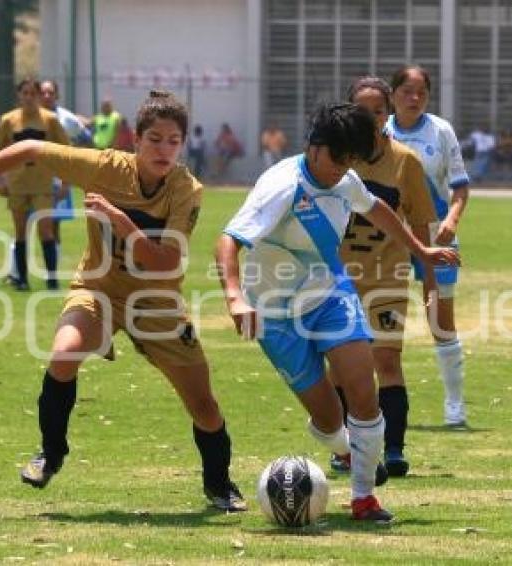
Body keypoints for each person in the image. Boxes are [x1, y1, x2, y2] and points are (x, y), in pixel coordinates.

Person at [0, 90, 247, 512]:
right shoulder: (103, 167)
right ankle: (51, 452)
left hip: (157, 301)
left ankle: (219, 483)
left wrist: (120, 220)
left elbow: (164, 262)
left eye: (174, 140)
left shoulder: (186, 190)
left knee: (204, 406)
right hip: (98, 288)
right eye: (155, 138)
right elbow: (28, 148)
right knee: (63, 354)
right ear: (135, 139)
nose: (164, 149)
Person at [215, 102, 459, 522]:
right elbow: (228, 241)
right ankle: (348, 450)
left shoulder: (344, 178)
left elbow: (376, 208)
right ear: (314, 147)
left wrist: (420, 250)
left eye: (350, 161)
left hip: (329, 293)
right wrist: (235, 297)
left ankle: (364, 498)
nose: (341, 169)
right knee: (327, 418)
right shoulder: (281, 185)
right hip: (274, 313)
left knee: (363, 386)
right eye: (336, 158)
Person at [328, 76, 438, 479]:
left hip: (387, 277)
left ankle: (393, 449)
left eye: (379, 111)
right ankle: (346, 451)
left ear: (388, 113)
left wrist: (431, 281)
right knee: (340, 367)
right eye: (363, 111)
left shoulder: (405, 161)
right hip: (337, 280)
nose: (372, 120)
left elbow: (425, 223)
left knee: (386, 358)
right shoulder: (336, 159)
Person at [386, 65, 471, 443]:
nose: (414, 97)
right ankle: (381, 405)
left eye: (421, 91)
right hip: (389, 240)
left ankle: (455, 405)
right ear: (393, 94)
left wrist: (451, 220)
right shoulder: (380, 131)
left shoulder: (441, 130)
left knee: (440, 321)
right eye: (406, 90)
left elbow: (460, 187)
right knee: (383, 322)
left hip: (436, 237)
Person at [0, 77, 71, 291]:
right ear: (19, 95)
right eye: (24, 93)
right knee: (20, 232)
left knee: (46, 230)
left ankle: (52, 279)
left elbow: (66, 151)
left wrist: (65, 182)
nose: (29, 97)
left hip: (42, 183)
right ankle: (22, 280)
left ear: (37, 96)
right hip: (17, 183)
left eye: (32, 93)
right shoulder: (9, 120)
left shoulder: (49, 120)